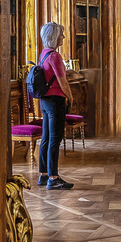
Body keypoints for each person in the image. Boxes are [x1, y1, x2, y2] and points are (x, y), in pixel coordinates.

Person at [36, 21, 74, 190]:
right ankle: (54, 177)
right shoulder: (55, 56)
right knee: (55, 139)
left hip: (44, 101)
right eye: (61, 35)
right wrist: (71, 97)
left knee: (46, 138)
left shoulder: (43, 53)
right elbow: (63, 82)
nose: (63, 37)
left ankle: (43, 175)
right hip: (55, 101)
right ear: (54, 37)